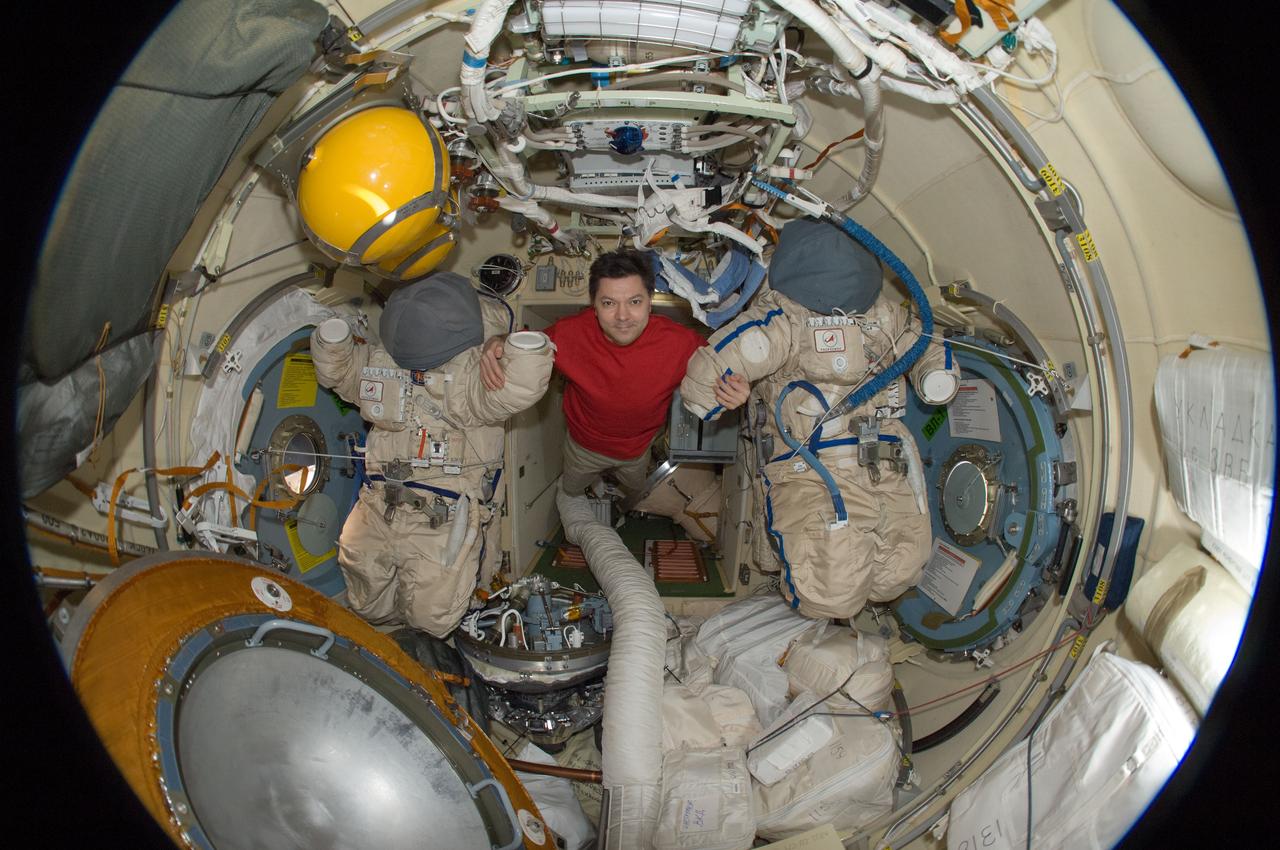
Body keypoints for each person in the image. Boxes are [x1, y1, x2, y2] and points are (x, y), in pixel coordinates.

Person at [680, 218, 962, 620]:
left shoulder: (883, 316)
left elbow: (926, 343)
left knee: (899, 575)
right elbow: (708, 372)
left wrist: (936, 374)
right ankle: (797, 594)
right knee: (830, 596)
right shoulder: (783, 319)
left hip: (884, 463)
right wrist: (724, 392)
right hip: (811, 468)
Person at [311, 272, 554, 637]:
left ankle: (423, 645)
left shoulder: (473, 372)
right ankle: (390, 635)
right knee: (365, 599)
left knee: (431, 615)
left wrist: (520, 351)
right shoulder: (383, 363)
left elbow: (516, 386)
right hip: (378, 504)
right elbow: (343, 373)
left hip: (443, 516)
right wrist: (333, 343)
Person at [480, 249, 749, 497]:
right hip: (583, 446)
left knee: (635, 488)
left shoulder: (681, 343)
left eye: (634, 301)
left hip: (637, 450)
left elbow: (721, 367)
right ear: (594, 306)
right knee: (572, 489)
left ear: (649, 302)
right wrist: (497, 341)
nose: (623, 316)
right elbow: (524, 345)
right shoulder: (568, 333)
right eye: (609, 303)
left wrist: (735, 389)